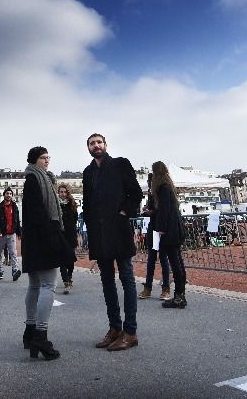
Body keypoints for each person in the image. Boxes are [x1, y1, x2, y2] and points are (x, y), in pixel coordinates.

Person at [83, 133, 144, 352]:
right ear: (88, 148)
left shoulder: (120, 164)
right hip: (99, 234)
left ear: (105, 145)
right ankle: (115, 328)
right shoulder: (88, 172)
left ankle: (130, 331)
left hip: (118, 230)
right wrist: (89, 224)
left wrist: (124, 212)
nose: (96, 145)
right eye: (92, 143)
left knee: (127, 278)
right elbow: (88, 202)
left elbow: (135, 193)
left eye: (99, 142)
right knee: (107, 281)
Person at [21, 146, 72, 360]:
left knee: (35, 285)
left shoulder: (37, 178)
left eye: (48, 157)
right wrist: (51, 236)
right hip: (43, 237)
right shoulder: (35, 178)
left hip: (33, 238)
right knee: (48, 285)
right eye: (43, 158)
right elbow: (37, 212)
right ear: (34, 160)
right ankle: (41, 336)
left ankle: (30, 331)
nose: (47, 161)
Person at [150, 161, 187, 309]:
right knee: (178, 263)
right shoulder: (169, 186)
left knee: (175, 264)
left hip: (169, 230)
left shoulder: (162, 188)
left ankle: (178, 297)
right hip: (175, 228)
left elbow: (164, 210)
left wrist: (161, 229)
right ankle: (180, 295)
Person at [139, 174, 171, 301]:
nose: (149, 183)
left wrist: (151, 212)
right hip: (153, 229)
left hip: (161, 229)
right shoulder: (151, 194)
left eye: (150, 181)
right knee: (151, 259)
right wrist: (148, 210)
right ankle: (148, 287)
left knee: (163, 259)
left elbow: (164, 210)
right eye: (148, 181)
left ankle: (165, 289)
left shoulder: (162, 192)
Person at [0, 187, 22, 280]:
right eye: (7, 193)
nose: (9, 195)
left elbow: (17, 220)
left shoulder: (15, 206)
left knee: (13, 252)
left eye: (10, 194)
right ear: (4, 195)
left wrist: (19, 232)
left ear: (12, 196)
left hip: (11, 233)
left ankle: (15, 271)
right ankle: (0, 271)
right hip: (1, 234)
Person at [57, 183, 79, 295]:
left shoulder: (72, 204)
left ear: (68, 193)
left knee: (70, 259)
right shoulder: (56, 204)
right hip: (60, 235)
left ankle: (69, 277)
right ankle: (66, 282)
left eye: (65, 192)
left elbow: (75, 218)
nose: (63, 194)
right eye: (61, 192)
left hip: (70, 235)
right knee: (62, 260)